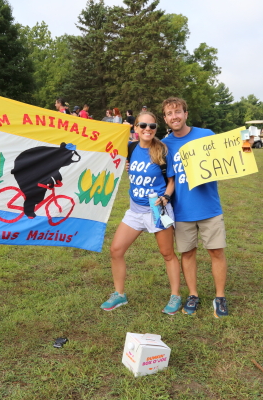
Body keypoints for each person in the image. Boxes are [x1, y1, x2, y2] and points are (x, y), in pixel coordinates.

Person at [100, 111, 181, 314]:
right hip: (135, 211)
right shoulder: (130, 148)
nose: (148, 129)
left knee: (168, 254)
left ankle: (175, 296)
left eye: (152, 126)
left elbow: (171, 181)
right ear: (135, 128)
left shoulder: (162, 150)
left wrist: (166, 197)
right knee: (116, 250)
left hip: (158, 210)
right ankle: (119, 294)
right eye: (143, 125)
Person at [161, 97, 228, 318]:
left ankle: (220, 297)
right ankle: (193, 294)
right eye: (169, 114)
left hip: (209, 207)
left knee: (216, 251)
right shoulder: (165, 145)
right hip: (182, 210)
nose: (174, 117)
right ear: (165, 119)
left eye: (178, 112)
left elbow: (226, 159)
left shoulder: (206, 135)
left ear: (186, 114)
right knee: (187, 253)